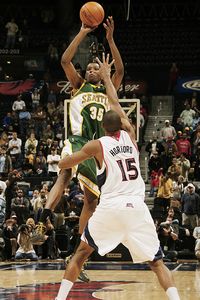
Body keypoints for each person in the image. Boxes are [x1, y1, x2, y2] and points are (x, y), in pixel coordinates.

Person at [55, 54, 180, 300]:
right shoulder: (131, 135)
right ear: (123, 124)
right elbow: (113, 100)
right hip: (137, 208)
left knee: (80, 254)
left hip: (110, 208)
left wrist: (59, 160)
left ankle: (60, 299)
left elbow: (67, 162)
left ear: (103, 127)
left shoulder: (97, 144)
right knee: (156, 263)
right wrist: (107, 77)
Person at [36, 16, 124, 279]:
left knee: (92, 200)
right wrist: (83, 32)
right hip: (76, 141)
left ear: (101, 72)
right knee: (64, 174)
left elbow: (119, 71)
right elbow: (64, 61)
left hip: (97, 151)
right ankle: (42, 219)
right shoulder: (78, 86)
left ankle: (78, 258)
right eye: (87, 68)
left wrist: (110, 40)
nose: (89, 70)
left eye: (95, 68)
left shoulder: (108, 90)